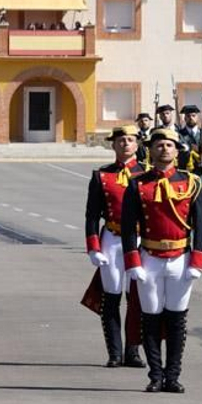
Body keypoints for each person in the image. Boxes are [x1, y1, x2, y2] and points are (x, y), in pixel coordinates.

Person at [121, 126, 202, 394]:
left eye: (169, 145)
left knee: (176, 319)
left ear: (177, 150)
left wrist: (197, 261)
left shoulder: (191, 182)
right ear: (150, 149)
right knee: (150, 318)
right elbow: (128, 226)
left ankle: (172, 376)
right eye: (159, 144)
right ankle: (155, 376)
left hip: (180, 260)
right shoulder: (137, 184)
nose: (164, 149)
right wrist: (133, 261)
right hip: (149, 257)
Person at [86, 126, 147, 369]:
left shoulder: (147, 174)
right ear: (113, 145)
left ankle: (133, 351)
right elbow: (92, 215)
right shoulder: (102, 175)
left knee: (137, 298)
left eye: (130, 140)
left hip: (141, 241)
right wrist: (93, 246)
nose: (125, 144)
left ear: (137, 145)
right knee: (111, 298)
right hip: (112, 239)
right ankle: (114, 352)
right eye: (121, 140)